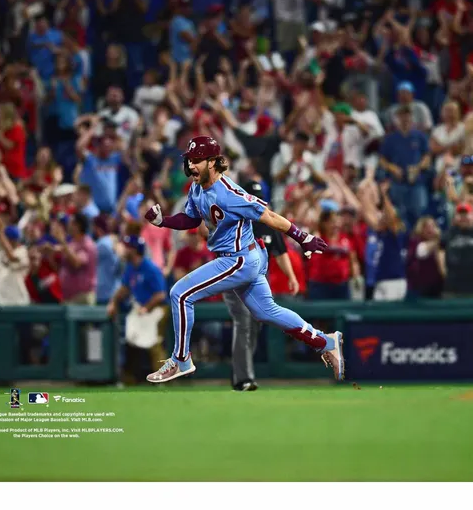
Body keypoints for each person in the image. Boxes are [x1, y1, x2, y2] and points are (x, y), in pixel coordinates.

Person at [143, 135, 344, 384]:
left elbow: (268, 216)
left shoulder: (229, 194)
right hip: (246, 255)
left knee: (180, 294)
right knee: (267, 312)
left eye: (197, 160)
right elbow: (191, 219)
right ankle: (326, 341)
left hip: (239, 259)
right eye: (190, 160)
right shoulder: (197, 186)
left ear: (213, 162)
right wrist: (164, 221)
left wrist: (302, 237)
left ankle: (181, 359)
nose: (191, 165)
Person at [221, 178, 300, 392]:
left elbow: (280, 252)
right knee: (244, 323)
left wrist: (291, 277)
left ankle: (240, 371)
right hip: (234, 282)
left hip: (256, 284)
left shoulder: (267, 221)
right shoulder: (233, 220)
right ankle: (243, 378)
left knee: (254, 327)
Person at [106, 235, 168, 383]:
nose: (124, 250)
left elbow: (160, 295)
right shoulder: (130, 267)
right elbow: (124, 289)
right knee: (131, 341)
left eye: (127, 247)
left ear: (134, 250)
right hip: (141, 309)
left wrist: (146, 308)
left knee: (154, 341)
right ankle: (130, 378)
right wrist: (113, 302)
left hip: (157, 308)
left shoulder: (150, 268)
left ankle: (164, 378)